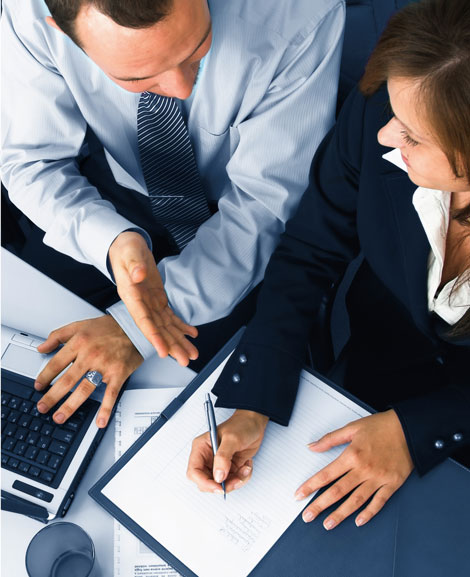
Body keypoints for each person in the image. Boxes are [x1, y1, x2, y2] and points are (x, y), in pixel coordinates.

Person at [187, 0, 470, 531]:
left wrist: (418, 429)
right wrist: (255, 399)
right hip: (369, 369)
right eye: (394, 118)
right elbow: (311, 247)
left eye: (413, 137)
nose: (388, 138)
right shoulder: (384, 108)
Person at [1, 0, 345, 427]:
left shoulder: (300, 12)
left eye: (198, 48)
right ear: (60, 31)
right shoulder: (30, 9)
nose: (181, 88)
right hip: (108, 200)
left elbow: (264, 207)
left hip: (238, 230)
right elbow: (32, 162)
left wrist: (137, 326)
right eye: (137, 76)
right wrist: (110, 240)